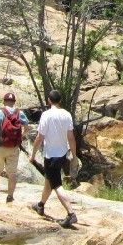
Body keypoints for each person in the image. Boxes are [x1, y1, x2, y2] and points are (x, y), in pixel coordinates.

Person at [30, 88, 78, 228]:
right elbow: (71, 137)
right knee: (49, 180)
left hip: (51, 156)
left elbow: (39, 137)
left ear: (48, 100)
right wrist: (74, 156)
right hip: (62, 155)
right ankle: (41, 205)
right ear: (60, 100)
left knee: (56, 185)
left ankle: (71, 214)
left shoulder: (46, 115)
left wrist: (32, 155)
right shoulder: (67, 114)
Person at [0, 91, 30, 204]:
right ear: (14, 102)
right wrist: (20, 137)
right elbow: (27, 129)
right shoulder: (20, 113)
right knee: (12, 174)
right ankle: (10, 197)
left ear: (4, 101)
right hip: (14, 148)